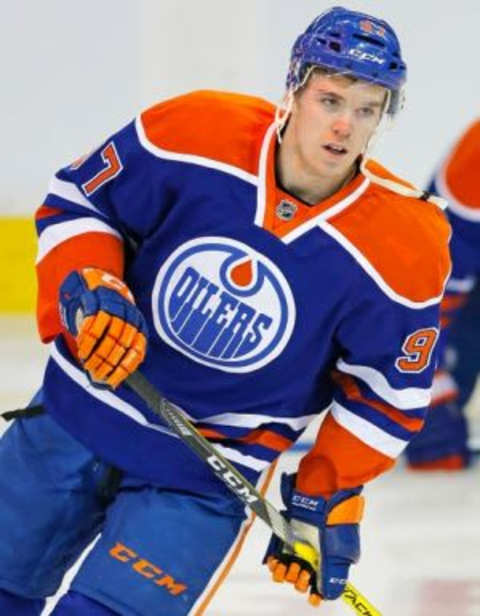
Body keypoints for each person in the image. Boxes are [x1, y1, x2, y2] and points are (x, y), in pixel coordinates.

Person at [0, 7, 451, 615]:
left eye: (366, 109)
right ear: (295, 87)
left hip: (203, 472)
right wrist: (93, 282)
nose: (344, 125)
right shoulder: (195, 131)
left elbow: (386, 394)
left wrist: (326, 492)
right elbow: (82, 200)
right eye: (331, 99)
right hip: (79, 412)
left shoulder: (405, 245)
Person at [405, 120, 480, 470]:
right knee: (436, 448)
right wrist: (429, 389)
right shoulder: (472, 168)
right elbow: (433, 292)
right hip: (463, 269)